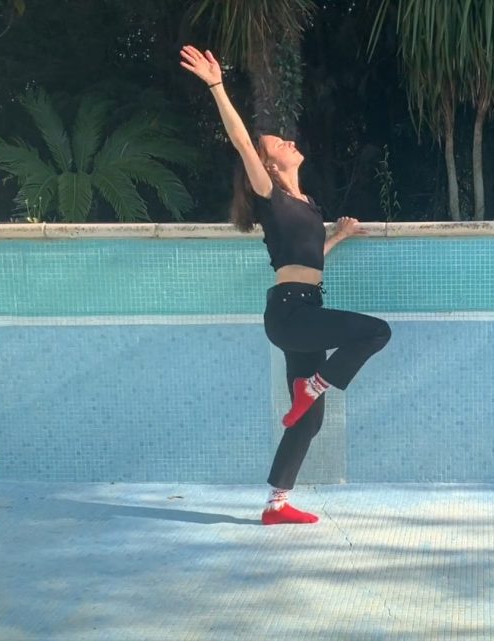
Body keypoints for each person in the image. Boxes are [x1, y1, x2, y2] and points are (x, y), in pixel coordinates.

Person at [180, 45, 391, 525]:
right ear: (268, 164)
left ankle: (276, 504)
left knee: (309, 418)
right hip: (291, 315)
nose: (287, 142)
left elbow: (308, 260)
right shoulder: (270, 195)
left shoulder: (308, 204)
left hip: (305, 308)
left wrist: (336, 234)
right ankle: (315, 384)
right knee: (376, 331)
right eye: (277, 142)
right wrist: (216, 85)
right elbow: (239, 138)